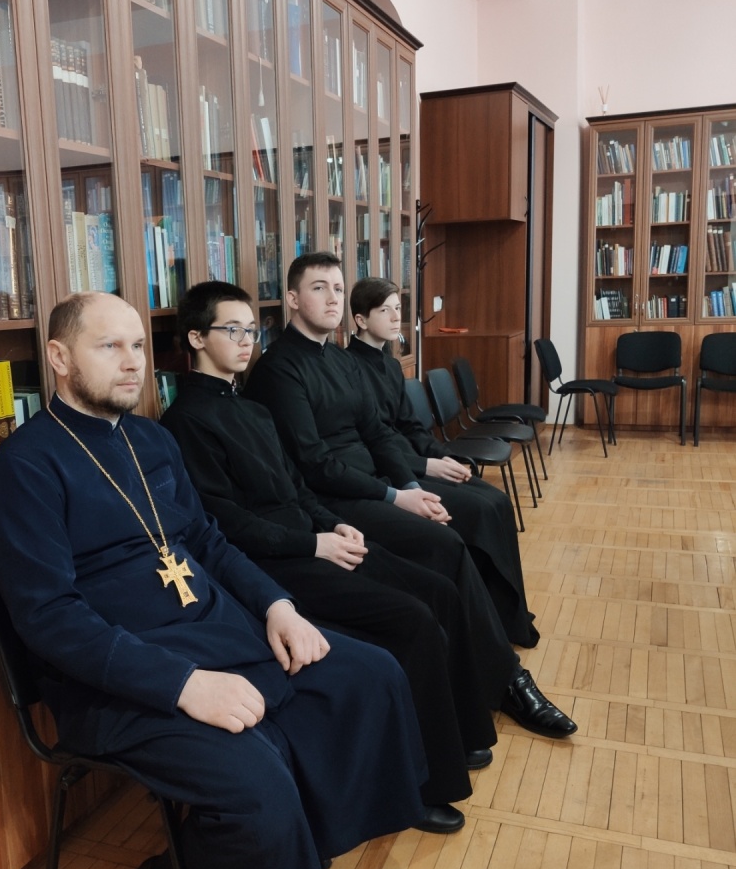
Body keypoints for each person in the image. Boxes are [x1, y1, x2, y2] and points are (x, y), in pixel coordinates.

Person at [0, 290, 429, 869]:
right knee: (257, 782)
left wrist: (277, 607)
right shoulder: (22, 468)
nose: (132, 363)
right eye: (109, 346)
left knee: (368, 675)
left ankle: (294, 860)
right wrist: (184, 685)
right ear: (58, 357)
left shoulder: (151, 439)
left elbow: (206, 542)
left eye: (137, 346)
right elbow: (50, 620)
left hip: (215, 630)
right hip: (119, 680)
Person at [161, 280, 505, 834]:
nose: (247, 341)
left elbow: (297, 486)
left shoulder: (251, 407)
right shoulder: (184, 422)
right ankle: (419, 785)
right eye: (232, 330)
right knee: (412, 619)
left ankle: (460, 735)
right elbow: (225, 523)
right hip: (273, 563)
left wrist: (332, 524)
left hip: (311, 538)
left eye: (251, 330)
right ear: (197, 338)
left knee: (439, 589)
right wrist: (314, 543)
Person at [243, 252, 576, 740]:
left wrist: (413, 487)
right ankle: (506, 681)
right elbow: (314, 464)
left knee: (460, 520)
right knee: (446, 546)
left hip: (374, 480)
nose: (333, 298)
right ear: (292, 299)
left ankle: (491, 662)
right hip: (332, 501)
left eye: (338, 288)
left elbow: (379, 432)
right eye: (319, 288)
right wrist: (395, 497)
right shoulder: (277, 369)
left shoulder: (341, 359)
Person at [348, 275, 538, 648]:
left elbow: (409, 426)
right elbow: (373, 440)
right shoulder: (349, 367)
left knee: (497, 501)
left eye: (398, 309)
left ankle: (509, 614)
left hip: (413, 458)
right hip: (390, 469)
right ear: (360, 319)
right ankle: (491, 623)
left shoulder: (390, 364)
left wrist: (441, 454)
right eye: (384, 310)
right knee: (479, 512)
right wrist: (425, 467)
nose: (395, 318)